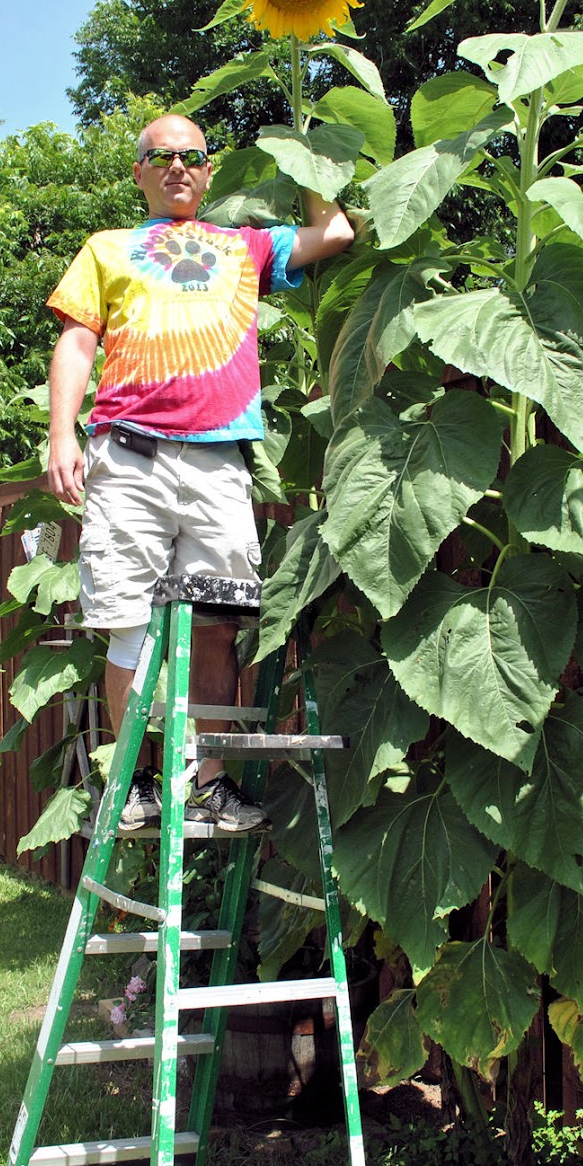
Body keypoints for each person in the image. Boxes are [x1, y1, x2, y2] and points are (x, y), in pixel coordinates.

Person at [45, 113, 354, 831]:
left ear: (208, 172)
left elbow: (335, 234)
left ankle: (205, 779)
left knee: (217, 623)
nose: (178, 167)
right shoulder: (108, 248)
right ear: (140, 173)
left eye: (192, 156)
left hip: (218, 462)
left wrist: (305, 154)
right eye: (161, 157)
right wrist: (61, 433)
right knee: (125, 622)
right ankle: (132, 781)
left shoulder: (241, 248)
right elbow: (77, 342)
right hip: (130, 456)